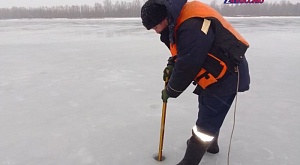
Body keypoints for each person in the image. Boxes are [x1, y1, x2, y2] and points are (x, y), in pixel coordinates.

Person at [141, 0, 250, 164]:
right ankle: (211, 145)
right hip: (214, 72)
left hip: (227, 75)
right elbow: (184, 51)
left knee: (206, 123)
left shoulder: (191, 25)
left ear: (164, 18)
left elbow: (189, 64)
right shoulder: (178, 18)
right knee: (209, 111)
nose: (156, 32)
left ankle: (189, 161)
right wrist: (172, 64)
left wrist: (171, 90)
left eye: (155, 27)